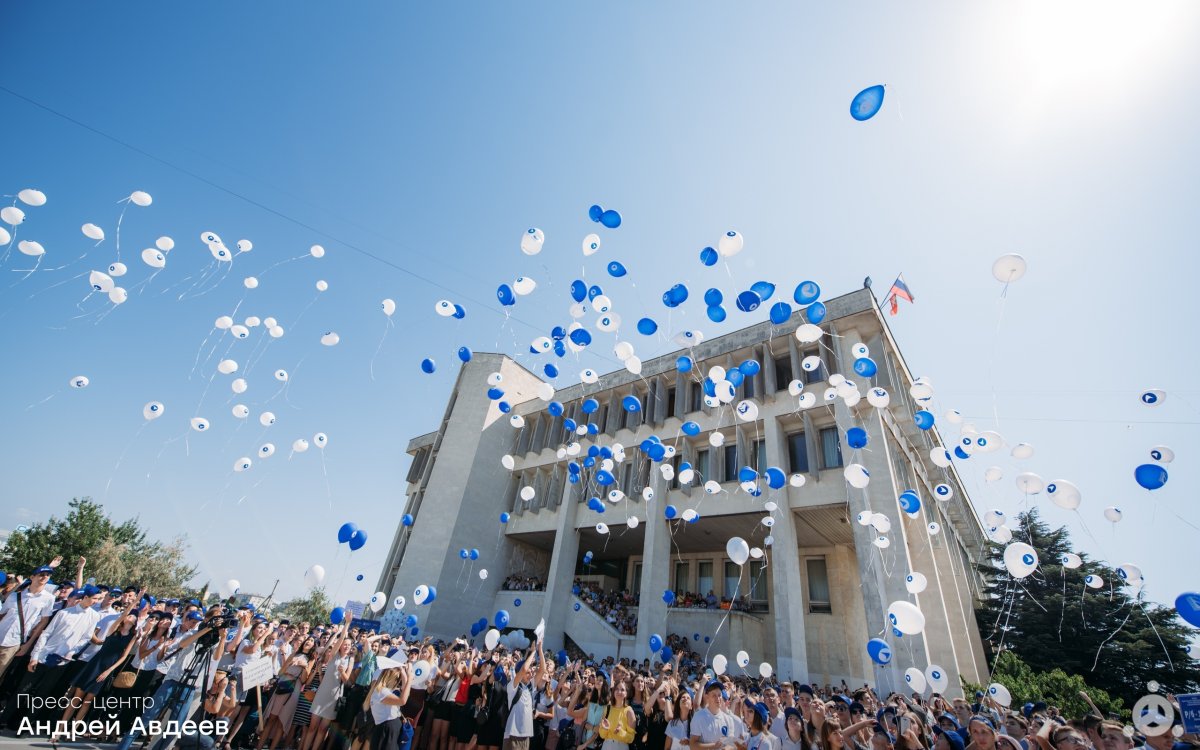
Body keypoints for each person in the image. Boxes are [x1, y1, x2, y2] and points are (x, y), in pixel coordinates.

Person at [59, 593, 141, 728]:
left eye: (133, 616)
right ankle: (60, 729)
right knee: (77, 697)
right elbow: (123, 614)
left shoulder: (132, 636)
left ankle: (73, 730)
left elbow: (124, 656)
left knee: (88, 701)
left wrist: (108, 671)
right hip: (95, 664)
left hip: (106, 668)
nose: (130, 616)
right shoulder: (114, 629)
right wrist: (137, 599)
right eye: (129, 614)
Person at [0, 565, 57, 683]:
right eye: (41, 574)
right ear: (32, 577)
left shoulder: (48, 598)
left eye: (48, 575)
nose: (44, 577)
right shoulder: (15, 595)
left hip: (13, 642)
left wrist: (28, 644)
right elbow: (2, 615)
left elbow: (43, 622)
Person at [305, 619, 355, 750]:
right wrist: (347, 624)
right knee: (312, 727)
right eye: (344, 644)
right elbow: (340, 639)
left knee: (322, 729)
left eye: (349, 645)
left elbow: (347, 681)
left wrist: (343, 672)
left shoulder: (350, 660)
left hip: (333, 698)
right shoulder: (333, 655)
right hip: (322, 693)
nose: (346, 646)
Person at [504, 640, 546, 750]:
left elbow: (543, 670)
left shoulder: (530, 686)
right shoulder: (512, 685)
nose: (531, 674)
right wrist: (533, 652)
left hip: (526, 734)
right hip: (513, 733)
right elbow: (524, 669)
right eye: (528, 673)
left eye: (531, 672)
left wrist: (540, 650)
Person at [371, 664, 414, 750]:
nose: (397, 682)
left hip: (388, 728)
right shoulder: (382, 692)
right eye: (397, 679)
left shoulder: (385, 691)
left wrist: (403, 673)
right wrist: (409, 680)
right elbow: (402, 701)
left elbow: (405, 693)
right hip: (387, 729)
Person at [690, 681, 734, 750]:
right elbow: (692, 745)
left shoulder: (728, 719)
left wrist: (726, 748)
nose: (718, 698)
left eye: (719, 695)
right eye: (714, 695)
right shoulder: (698, 717)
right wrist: (713, 746)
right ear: (707, 696)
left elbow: (731, 743)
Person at [598, 678, 636, 750]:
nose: (619, 692)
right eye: (617, 689)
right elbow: (602, 735)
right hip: (606, 745)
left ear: (626, 693)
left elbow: (631, 738)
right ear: (613, 692)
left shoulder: (629, 710)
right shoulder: (608, 708)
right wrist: (605, 729)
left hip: (621, 746)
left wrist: (620, 732)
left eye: (622, 690)